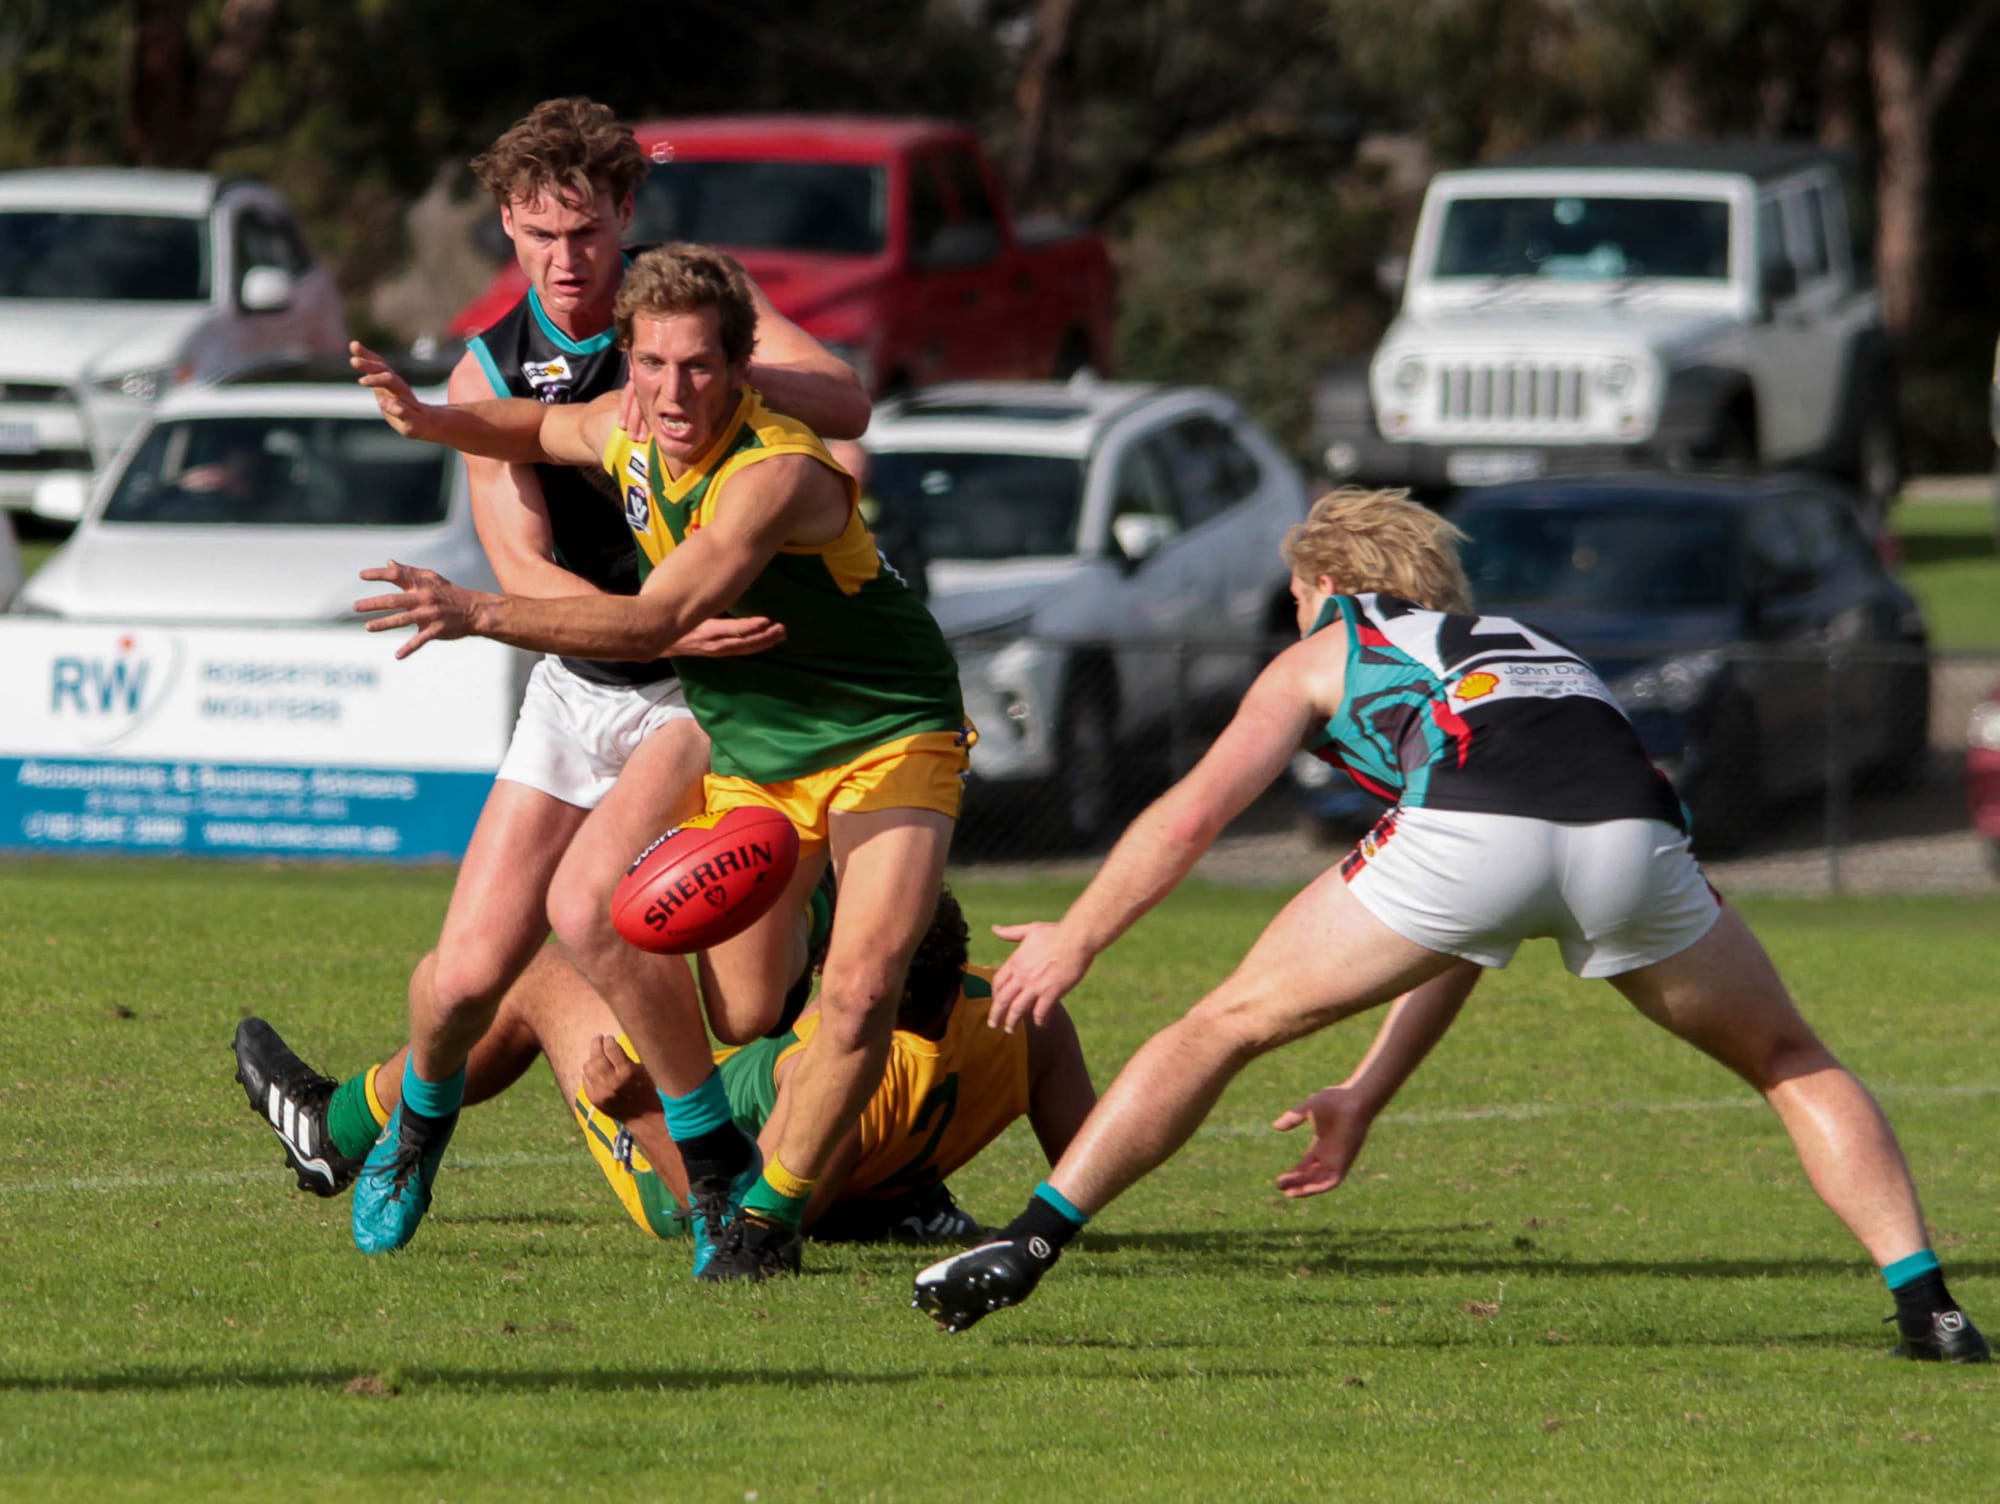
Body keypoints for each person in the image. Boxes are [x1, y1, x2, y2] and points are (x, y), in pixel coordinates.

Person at [911, 487, 1988, 1365]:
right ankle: (1928, 1307)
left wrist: (1080, 935)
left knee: (1221, 1024)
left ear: (1324, 584)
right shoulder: (1529, 643)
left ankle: (1027, 1242)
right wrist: (1364, 1091)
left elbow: (1195, 812)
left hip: (1475, 830)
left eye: (1295, 594)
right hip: (1631, 835)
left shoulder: (1326, 649)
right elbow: (1479, 917)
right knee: (1789, 1056)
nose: (1292, 613)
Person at [235, 98, 870, 1261]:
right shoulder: (492, 365)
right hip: (588, 684)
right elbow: (520, 564)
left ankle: (717, 1149)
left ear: (627, 214)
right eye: (539, 236)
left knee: (669, 961)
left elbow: (847, 403)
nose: (566, 261)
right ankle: (413, 1122)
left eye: (586, 233)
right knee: (469, 970)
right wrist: (647, 620)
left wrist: (711, 382)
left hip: (703, 692)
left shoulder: (688, 314)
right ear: (504, 231)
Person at [348, 242, 970, 1283]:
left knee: (860, 992)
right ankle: (714, 1151)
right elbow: (538, 426)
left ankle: (761, 1224)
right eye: (651, 365)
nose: (674, 392)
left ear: (739, 369)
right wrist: (434, 420)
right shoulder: (627, 424)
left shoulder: (773, 471)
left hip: (883, 734)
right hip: (752, 741)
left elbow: (658, 620)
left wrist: (474, 611)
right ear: (625, 364)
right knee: (626, 933)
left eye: (697, 367)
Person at [231, 889, 1094, 1248]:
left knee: (535, 973)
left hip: (680, 1158)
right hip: (851, 1148)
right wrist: (913, 1186)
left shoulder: (834, 1078)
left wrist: (642, 1109)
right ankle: (903, 1200)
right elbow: (1083, 1169)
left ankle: (338, 1128)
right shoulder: (1025, 1015)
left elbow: (755, 1222)